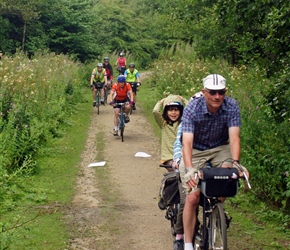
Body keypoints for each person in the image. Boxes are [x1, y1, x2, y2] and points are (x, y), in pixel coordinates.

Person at [179, 74, 249, 250]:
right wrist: (189, 168)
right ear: (204, 92)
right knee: (193, 196)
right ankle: (187, 243)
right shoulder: (192, 108)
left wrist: (236, 163)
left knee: (227, 177)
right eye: (212, 92)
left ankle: (217, 212)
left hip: (220, 147)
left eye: (221, 92)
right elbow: (186, 141)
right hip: (195, 149)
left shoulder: (231, 106)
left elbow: (234, 138)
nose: (217, 96)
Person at [153, 94, 188, 250]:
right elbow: (155, 112)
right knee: (172, 177)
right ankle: (164, 193)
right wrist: (161, 102)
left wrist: (183, 100)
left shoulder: (185, 124)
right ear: (166, 112)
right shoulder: (164, 124)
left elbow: (189, 109)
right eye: (170, 110)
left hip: (182, 158)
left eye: (176, 110)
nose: (173, 113)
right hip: (168, 158)